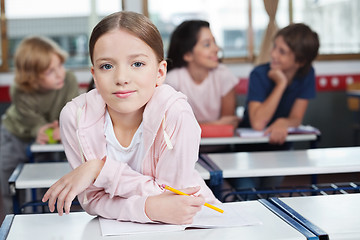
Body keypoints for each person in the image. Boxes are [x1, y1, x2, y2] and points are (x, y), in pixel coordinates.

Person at [42, 11, 219, 225]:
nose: (122, 79)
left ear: (160, 72)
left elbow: (173, 200)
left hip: (194, 224)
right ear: (94, 75)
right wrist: (148, 208)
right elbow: (92, 200)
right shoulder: (75, 116)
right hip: (114, 228)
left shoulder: (176, 113)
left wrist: (99, 169)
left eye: (137, 64)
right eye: (107, 66)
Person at [230, 23, 320, 195]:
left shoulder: (307, 75)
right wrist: (281, 84)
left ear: (300, 61)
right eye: (275, 47)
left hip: (279, 148)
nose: (273, 54)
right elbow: (258, 123)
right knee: (247, 194)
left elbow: (296, 118)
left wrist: (283, 122)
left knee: (270, 194)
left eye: (282, 51)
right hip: (247, 150)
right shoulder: (259, 74)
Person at [0, 36, 79, 213]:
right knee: (9, 186)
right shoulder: (20, 90)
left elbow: (73, 110)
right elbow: (35, 125)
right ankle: (10, 226)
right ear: (32, 77)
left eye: (60, 65)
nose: (60, 73)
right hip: (15, 136)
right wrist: (44, 130)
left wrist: (63, 128)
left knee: (47, 184)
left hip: (49, 137)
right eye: (50, 71)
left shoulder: (69, 80)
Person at [165, 20, 239, 129]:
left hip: (222, 145)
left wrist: (192, 127)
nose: (216, 49)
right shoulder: (172, 80)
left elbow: (228, 125)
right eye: (207, 44)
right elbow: (171, 128)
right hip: (184, 146)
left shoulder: (223, 75)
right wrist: (216, 124)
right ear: (187, 55)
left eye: (214, 42)